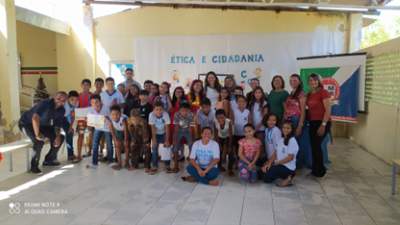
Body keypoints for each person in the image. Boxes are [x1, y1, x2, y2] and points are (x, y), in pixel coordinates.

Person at [18, 92, 67, 175]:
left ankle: (48, 160)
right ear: (55, 97)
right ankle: (34, 166)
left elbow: (57, 125)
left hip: (42, 125)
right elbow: (35, 119)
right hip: (26, 124)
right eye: (59, 99)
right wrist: (37, 135)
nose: (60, 102)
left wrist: (57, 137)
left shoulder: (61, 110)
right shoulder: (45, 103)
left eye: (63, 101)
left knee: (61, 138)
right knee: (39, 141)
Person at [305, 73, 332, 181]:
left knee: (316, 146)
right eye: (311, 80)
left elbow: (328, 110)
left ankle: (320, 173)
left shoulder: (324, 92)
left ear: (319, 81)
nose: (313, 82)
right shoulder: (309, 94)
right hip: (312, 123)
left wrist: (323, 124)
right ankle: (315, 171)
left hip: (323, 122)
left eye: (315, 80)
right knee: (314, 147)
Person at [258, 120, 298, 187]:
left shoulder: (292, 140)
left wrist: (276, 163)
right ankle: (275, 172)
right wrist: (269, 163)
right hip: (279, 164)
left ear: (292, 129)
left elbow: (291, 157)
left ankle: (288, 177)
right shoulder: (281, 140)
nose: (285, 129)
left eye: (288, 128)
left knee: (266, 177)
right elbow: (275, 154)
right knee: (260, 174)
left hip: (287, 167)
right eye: (284, 127)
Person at [285, 74, 306, 175]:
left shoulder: (301, 94)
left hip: (297, 120)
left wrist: (300, 125)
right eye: (291, 80)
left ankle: (298, 166)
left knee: (295, 144)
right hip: (290, 120)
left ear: (300, 81)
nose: (292, 82)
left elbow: (303, 111)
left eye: (295, 80)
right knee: (291, 143)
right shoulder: (292, 93)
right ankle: (292, 164)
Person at [86, 94, 114, 168]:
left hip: (107, 128)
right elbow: (90, 122)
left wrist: (108, 118)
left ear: (100, 102)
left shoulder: (106, 109)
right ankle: (94, 162)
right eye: (92, 102)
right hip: (98, 128)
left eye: (96, 102)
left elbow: (111, 119)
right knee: (95, 145)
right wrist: (88, 121)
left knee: (109, 145)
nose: (95, 104)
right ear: (91, 103)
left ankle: (111, 161)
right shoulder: (90, 110)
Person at [54, 91, 79, 160]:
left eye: (76, 99)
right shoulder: (63, 104)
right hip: (56, 118)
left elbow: (72, 115)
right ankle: (53, 157)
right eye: (72, 99)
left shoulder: (76, 104)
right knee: (55, 136)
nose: (74, 101)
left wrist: (71, 127)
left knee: (70, 133)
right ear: (68, 99)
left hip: (64, 118)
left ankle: (70, 154)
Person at [149, 101, 171, 175]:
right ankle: (155, 166)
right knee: (154, 148)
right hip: (156, 133)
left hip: (164, 131)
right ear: (153, 110)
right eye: (156, 109)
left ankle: (167, 164)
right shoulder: (151, 115)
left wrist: (167, 140)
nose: (158, 111)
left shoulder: (165, 115)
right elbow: (153, 128)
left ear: (163, 109)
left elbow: (167, 128)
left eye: (160, 109)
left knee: (167, 146)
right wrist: (154, 140)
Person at [172, 101, 194, 173]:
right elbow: (177, 127)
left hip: (187, 130)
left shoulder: (191, 115)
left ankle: (191, 163)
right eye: (182, 111)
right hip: (179, 130)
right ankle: (176, 165)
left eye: (186, 111)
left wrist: (191, 139)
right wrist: (175, 139)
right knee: (175, 145)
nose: (184, 112)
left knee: (192, 145)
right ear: (179, 110)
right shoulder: (177, 114)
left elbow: (190, 127)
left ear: (189, 110)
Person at [129, 108, 152, 173]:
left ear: (139, 117)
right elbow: (131, 132)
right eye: (133, 119)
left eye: (137, 119)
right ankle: (134, 165)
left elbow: (145, 133)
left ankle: (147, 166)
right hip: (136, 137)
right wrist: (133, 141)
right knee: (134, 148)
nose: (135, 121)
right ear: (130, 118)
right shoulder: (130, 123)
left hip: (145, 137)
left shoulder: (143, 123)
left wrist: (146, 142)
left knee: (147, 150)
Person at [76, 79, 94, 162]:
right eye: (84, 84)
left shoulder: (93, 95)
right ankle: (79, 155)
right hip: (81, 119)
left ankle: (93, 153)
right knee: (80, 136)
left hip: (91, 118)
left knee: (92, 136)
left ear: (90, 86)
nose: (85, 86)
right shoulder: (78, 96)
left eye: (87, 85)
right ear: (81, 86)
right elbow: (75, 107)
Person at [247, 86, 268, 155]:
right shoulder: (251, 103)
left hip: (260, 126)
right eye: (256, 92)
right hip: (252, 127)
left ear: (262, 93)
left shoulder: (264, 103)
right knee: (253, 143)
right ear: (253, 94)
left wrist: (258, 127)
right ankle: (255, 159)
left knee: (259, 143)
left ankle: (261, 159)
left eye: (259, 92)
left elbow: (265, 117)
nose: (258, 94)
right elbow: (249, 114)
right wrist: (251, 126)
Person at [107, 105, 129, 170]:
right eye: (113, 114)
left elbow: (126, 130)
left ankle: (126, 161)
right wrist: (115, 139)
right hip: (117, 130)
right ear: (110, 114)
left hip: (126, 131)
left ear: (120, 113)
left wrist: (125, 139)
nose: (115, 116)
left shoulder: (123, 118)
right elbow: (111, 130)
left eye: (117, 114)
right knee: (117, 145)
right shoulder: (110, 119)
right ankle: (119, 162)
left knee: (126, 145)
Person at [232, 95, 252, 169]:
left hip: (245, 134)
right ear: (236, 102)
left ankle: (245, 162)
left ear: (245, 102)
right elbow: (232, 123)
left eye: (243, 101)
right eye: (239, 101)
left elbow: (249, 123)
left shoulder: (248, 112)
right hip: (236, 133)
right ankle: (238, 162)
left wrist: (249, 134)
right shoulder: (234, 111)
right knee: (238, 149)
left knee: (245, 150)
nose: (241, 102)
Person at [213, 109, 234, 175]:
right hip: (220, 135)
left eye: (222, 117)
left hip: (229, 136)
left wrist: (229, 146)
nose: (220, 119)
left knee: (230, 152)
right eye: (218, 118)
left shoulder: (229, 122)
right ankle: (219, 166)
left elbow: (230, 135)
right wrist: (219, 145)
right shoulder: (215, 123)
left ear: (225, 117)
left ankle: (230, 169)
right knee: (219, 151)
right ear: (216, 118)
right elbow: (216, 134)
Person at [170, 86, 187, 161]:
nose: (178, 93)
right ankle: (177, 154)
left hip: (180, 122)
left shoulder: (184, 102)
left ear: (182, 93)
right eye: (176, 91)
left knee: (181, 139)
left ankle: (182, 155)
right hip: (172, 122)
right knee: (175, 139)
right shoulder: (172, 102)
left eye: (180, 92)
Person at [94, 77, 106, 156]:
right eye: (97, 84)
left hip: (102, 116)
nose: (98, 86)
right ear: (94, 85)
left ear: (103, 85)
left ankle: (101, 150)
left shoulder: (104, 94)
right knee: (93, 134)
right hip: (93, 117)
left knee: (102, 135)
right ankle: (93, 150)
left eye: (100, 84)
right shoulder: (92, 94)